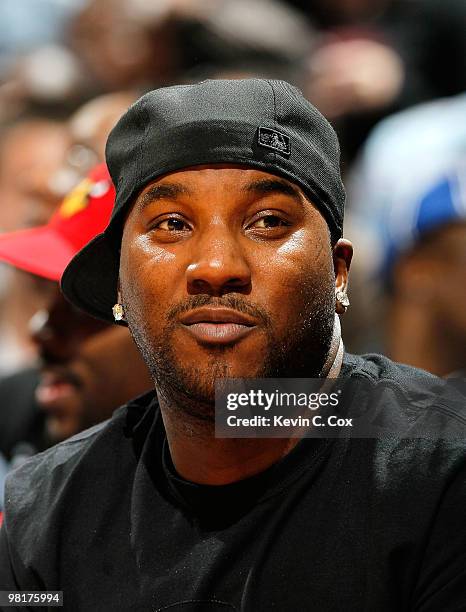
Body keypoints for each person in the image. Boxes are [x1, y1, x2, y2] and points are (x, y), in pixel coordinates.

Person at [1, 79, 465, 611]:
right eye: (171, 225)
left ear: (338, 273)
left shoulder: (444, 472)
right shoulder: (44, 512)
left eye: (267, 222)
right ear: (119, 290)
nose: (216, 267)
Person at [0, 164, 152, 461]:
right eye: (47, 295)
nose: (41, 330)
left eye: (80, 307)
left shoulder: (254, 415)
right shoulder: (15, 407)